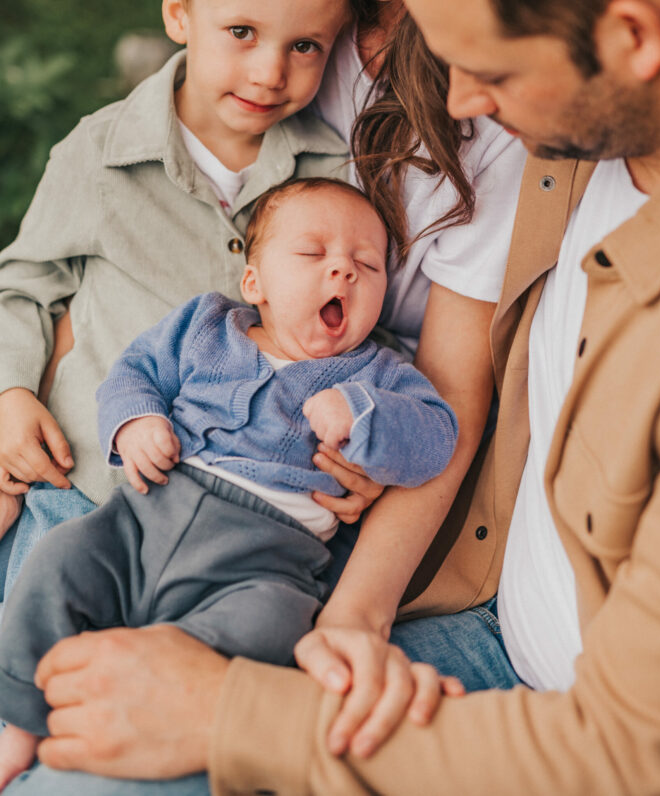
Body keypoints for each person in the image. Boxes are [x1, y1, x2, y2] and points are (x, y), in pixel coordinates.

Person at [12, 0, 660, 794]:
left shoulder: (551, 143)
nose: (458, 98)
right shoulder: (579, 129)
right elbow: (149, 232)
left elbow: (628, 750)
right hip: (181, 506)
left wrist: (256, 688)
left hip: (445, 646)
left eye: (494, 68)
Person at [0, 177, 459, 787]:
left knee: (271, 628)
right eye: (312, 254)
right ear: (255, 282)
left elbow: (437, 436)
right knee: (55, 560)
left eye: (367, 265)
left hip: (265, 561)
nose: (343, 272)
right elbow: (133, 373)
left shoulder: (380, 372)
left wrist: (364, 416)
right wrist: (136, 422)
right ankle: (23, 721)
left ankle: (146, 692)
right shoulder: (205, 326)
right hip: (141, 519)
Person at [0, 0, 350, 584]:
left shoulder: (334, 174)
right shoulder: (100, 155)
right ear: (178, 12)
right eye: (242, 32)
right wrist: (9, 393)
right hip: (87, 485)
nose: (269, 72)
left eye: (305, 46)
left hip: (243, 519)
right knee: (32, 661)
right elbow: (24, 284)